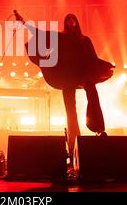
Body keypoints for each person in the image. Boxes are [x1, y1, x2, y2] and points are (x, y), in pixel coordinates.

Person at [15, 12, 114, 155]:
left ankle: (98, 128)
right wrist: (24, 23)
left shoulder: (85, 40)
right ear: (65, 22)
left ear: (77, 22)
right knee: (70, 110)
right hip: (67, 77)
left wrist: (105, 67)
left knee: (92, 93)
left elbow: (94, 58)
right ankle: (74, 140)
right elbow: (40, 34)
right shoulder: (59, 38)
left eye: (73, 19)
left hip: (83, 75)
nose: (71, 21)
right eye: (68, 19)